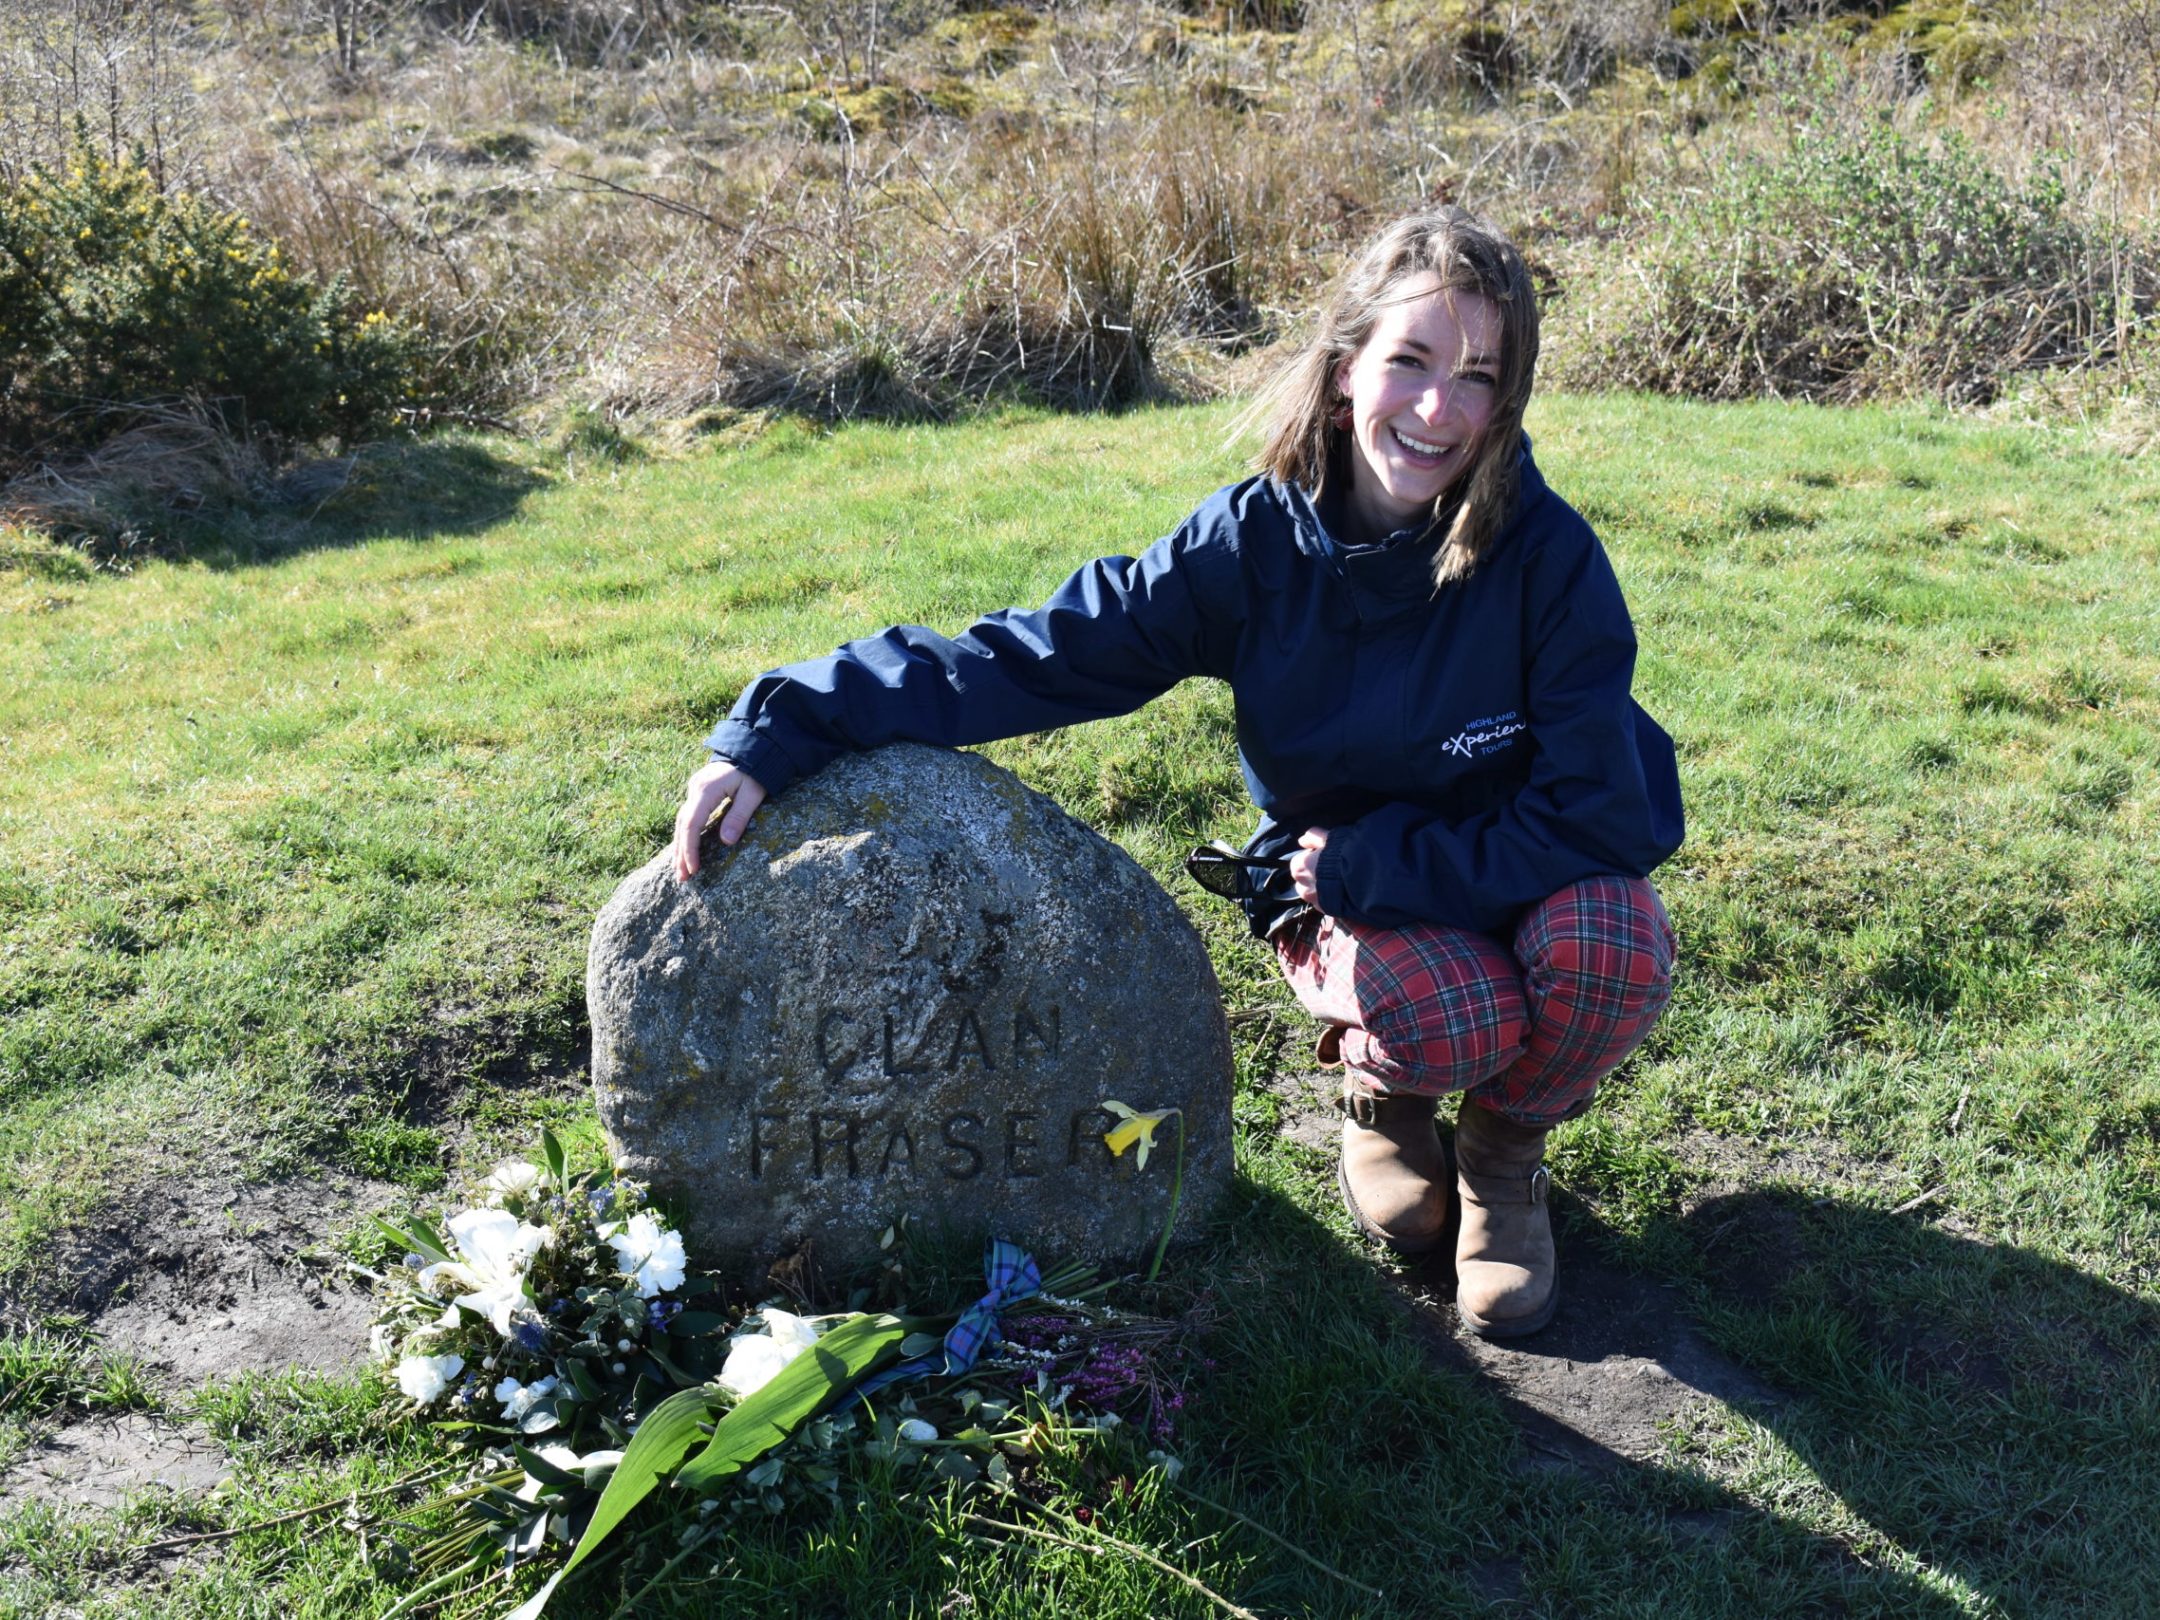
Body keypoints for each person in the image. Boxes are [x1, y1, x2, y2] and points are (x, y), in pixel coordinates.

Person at [671, 207, 1683, 1339]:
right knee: (1454, 1011)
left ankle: (1504, 1153)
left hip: (1457, 868)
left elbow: (1608, 813)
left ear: (1511, 400)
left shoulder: (1548, 559)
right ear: (1348, 367)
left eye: (1480, 376)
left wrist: (1387, 861)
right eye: (1411, 360)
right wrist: (781, 721)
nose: (1439, 407)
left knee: (1617, 947)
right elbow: (1039, 655)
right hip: (1352, 894)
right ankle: (1388, 1098)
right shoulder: (1251, 548)